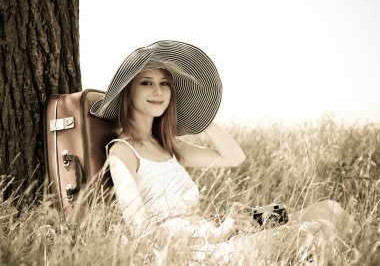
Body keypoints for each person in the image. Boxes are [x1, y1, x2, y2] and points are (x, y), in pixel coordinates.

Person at [91, 40, 356, 263]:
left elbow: (234, 157)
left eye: (165, 84)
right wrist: (217, 235)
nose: (158, 91)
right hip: (199, 253)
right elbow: (142, 233)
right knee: (318, 230)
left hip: (220, 234)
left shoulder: (170, 146)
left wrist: (199, 117)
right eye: (146, 83)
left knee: (329, 209)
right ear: (128, 93)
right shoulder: (122, 153)